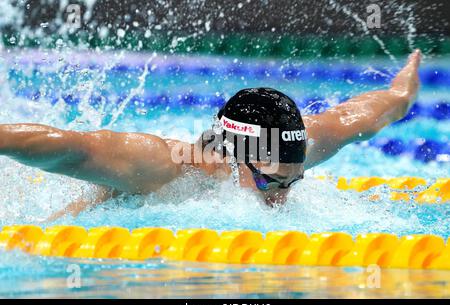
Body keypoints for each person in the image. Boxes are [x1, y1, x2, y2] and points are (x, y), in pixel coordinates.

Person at [0, 50, 422, 220]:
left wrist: (402, 90)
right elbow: (67, 147)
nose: (281, 198)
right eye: (269, 182)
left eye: (292, 181)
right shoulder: (159, 165)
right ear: (236, 155)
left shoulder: (292, 151)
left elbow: (369, 113)